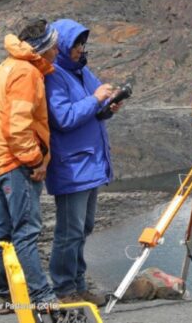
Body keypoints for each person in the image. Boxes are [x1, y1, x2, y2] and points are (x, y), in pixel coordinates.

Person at [0, 18, 59, 315]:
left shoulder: (8, 66)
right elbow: (18, 127)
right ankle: (43, 297)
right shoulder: (26, 73)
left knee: (2, 232)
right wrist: (35, 161)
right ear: (42, 47)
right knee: (26, 231)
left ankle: (2, 296)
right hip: (16, 164)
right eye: (54, 45)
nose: (58, 49)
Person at [44, 19, 120, 307]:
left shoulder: (83, 72)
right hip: (71, 167)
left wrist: (108, 107)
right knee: (69, 230)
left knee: (84, 227)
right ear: (62, 46)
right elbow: (63, 118)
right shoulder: (53, 75)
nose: (80, 49)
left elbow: (93, 111)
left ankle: (77, 284)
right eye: (75, 44)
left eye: (82, 43)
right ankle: (64, 290)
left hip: (91, 165)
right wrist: (95, 99)